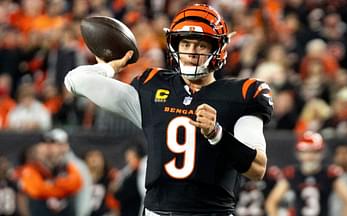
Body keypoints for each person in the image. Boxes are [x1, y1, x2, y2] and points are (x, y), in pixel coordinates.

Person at [65, 4, 272, 215]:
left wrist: (216, 133)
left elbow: (258, 169)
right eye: (186, 44)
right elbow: (76, 81)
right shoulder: (152, 87)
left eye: (201, 45)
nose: (192, 53)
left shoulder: (242, 93)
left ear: (217, 48)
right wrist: (110, 67)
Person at [265, 131, 347, 216]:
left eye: (314, 152)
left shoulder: (329, 174)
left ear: (322, 153)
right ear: (299, 153)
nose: (310, 156)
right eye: (306, 152)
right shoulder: (292, 173)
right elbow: (272, 202)